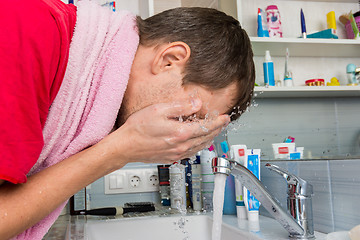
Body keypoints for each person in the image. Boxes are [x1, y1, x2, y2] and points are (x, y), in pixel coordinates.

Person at [0, 0, 255, 239]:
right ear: (169, 60)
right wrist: (118, 151)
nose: (183, 137)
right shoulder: (28, 32)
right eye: (192, 115)